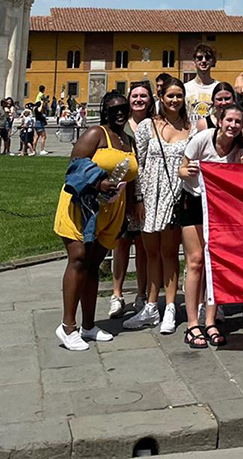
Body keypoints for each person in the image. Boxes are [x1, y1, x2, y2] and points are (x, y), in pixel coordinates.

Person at [53, 92, 141, 350]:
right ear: (105, 111)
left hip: (112, 211)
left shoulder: (128, 140)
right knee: (78, 259)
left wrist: (132, 208)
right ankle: (68, 326)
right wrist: (100, 183)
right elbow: (74, 165)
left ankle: (89, 325)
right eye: (114, 109)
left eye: (123, 108)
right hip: (84, 206)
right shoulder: (96, 134)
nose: (120, 113)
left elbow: (132, 177)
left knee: (93, 265)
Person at [123, 78, 192, 334]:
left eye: (179, 96)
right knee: (151, 253)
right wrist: (138, 199)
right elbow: (138, 164)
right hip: (150, 196)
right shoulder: (146, 126)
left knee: (170, 253)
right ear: (161, 98)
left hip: (176, 197)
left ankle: (171, 306)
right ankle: (151, 306)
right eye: (170, 96)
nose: (174, 100)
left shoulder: (190, 127)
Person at [178, 102, 243, 349]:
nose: (233, 125)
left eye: (238, 122)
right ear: (220, 120)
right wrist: (191, 172)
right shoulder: (202, 139)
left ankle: (210, 320)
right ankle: (192, 324)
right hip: (193, 202)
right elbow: (181, 169)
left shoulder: (240, 148)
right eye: (229, 120)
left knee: (213, 261)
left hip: (219, 206)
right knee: (195, 260)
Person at [110, 80, 155, 318]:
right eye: (135, 95)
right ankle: (116, 295)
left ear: (150, 100)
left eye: (143, 96)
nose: (139, 99)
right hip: (122, 193)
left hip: (144, 194)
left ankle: (141, 293)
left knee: (143, 246)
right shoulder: (120, 125)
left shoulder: (154, 124)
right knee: (121, 244)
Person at [184, 44, 219, 126]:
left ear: (213, 61)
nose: (203, 61)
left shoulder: (219, 88)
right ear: (194, 62)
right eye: (199, 58)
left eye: (207, 58)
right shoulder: (185, 88)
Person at [33, 90, 49, 155]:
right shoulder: (37, 109)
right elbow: (39, 110)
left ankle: (33, 150)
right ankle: (42, 150)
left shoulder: (36, 109)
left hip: (38, 123)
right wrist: (42, 103)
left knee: (36, 137)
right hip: (39, 123)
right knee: (43, 136)